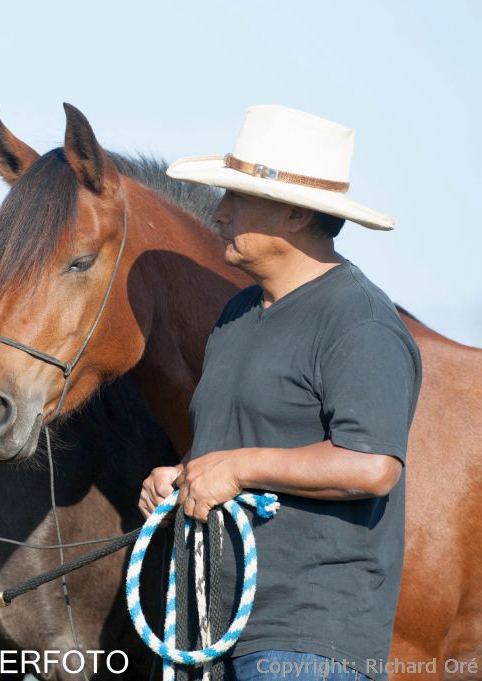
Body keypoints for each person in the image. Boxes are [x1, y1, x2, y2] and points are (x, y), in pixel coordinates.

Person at [139, 105, 421, 681]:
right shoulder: (237, 314)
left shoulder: (360, 321)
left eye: (237, 198)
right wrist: (184, 475)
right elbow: (235, 442)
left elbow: (372, 466)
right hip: (213, 629)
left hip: (307, 643)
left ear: (296, 213)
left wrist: (237, 468)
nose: (218, 213)